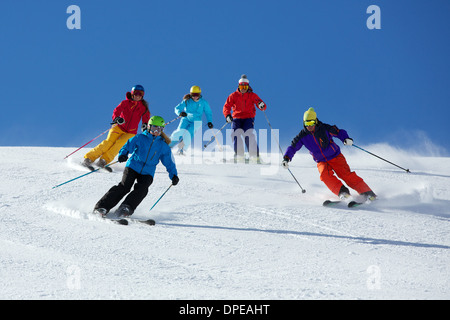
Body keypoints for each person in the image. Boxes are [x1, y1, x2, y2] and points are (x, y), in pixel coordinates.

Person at [282, 107, 377, 201]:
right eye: (307, 123)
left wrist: (345, 138)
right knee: (324, 176)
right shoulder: (302, 136)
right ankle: (343, 193)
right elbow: (293, 147)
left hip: (335, 157)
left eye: (311, 123)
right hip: (321, 161)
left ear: (315, 121)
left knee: (346, 175)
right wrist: (286, 158)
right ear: (304, 123)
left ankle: (368, 193)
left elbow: (339, 132)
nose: (309, 126)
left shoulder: (324, 128)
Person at [93, 116, 179, 217]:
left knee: (142, 190)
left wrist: (173, 175)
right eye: (154, 128)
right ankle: (102, 207)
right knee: (124, 187)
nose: (157, 131)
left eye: (160, 129)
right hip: (133, 166)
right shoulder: (140, 138)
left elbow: (169, 162)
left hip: (148, 172)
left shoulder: (163, 146)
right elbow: (128, 145)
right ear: (149, 127)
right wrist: (123, 154)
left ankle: (126, 208)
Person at [83, 85, 170, 171]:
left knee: (119, 145)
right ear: (132, 94)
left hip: (131, 132)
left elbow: (146, 118)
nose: (138, 95)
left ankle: (103, 160)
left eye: (140, 94)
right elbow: (116, 110)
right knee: (109, 142)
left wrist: (144, 125)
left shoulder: (143, 108)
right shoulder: (125, 103)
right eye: (136, 93)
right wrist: (117, 119)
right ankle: (89, 158)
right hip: (118, 127)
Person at [223, 74, 267, 163]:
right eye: (241, 86)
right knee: (235, 133)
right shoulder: (233, 95)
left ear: (248, 86)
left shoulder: (252, 95)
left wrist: (261, 105)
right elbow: (226, 106)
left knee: (249, 134)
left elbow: (260, 103)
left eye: (245, 86)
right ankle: (239, 155)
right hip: (236, 118)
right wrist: (227, 115)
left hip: (248, 118)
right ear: (238, 86)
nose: (243, 88)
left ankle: (255, 156)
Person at [169, 85, 213, 154]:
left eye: (197, 95)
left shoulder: (203, 102)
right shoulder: (187, 101)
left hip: (196, 121)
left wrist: (209, 121)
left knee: (188, 134)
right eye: (193, 95)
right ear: (190, 94)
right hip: (186, 119)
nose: (195, 97)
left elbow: (208, 112)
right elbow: (177, 108)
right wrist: (180, 113)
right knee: (179, 132)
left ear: (200, 94)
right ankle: (168, 145)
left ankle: (182, 149)